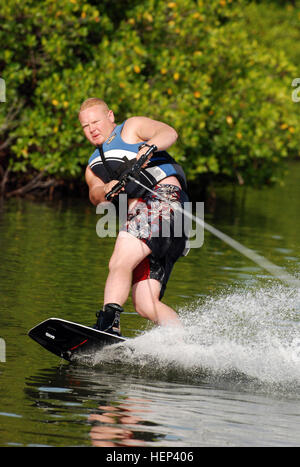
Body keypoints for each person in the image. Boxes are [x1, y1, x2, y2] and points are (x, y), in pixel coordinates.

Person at [79, 98, 189, 336]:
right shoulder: (92, 166)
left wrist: (149, 147)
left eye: (95, 121)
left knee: (119, 261)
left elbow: (168, 132)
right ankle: (187, 347)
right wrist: (105, 189)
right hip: (157, 226)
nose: (92, 129)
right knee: (146, 304)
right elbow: (94, 194)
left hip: (166, 202)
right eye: (85, 126)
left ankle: (109, 326)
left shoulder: (131, 128)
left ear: (110, 116)